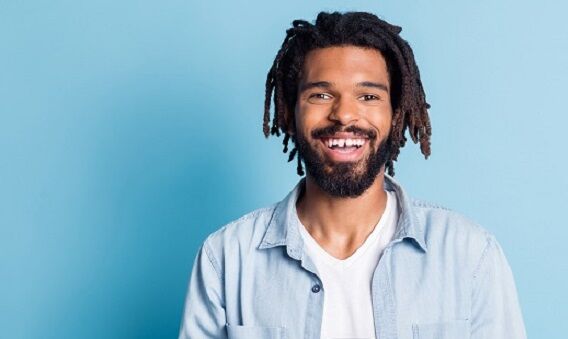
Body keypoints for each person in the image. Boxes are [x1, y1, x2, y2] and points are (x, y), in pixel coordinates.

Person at [179, 11, 526, 339]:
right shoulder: (226, 258)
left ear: (396, 114)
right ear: (289, 113)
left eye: (368, 95)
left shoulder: (469, 255)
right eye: (321, 94)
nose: (344, 114)